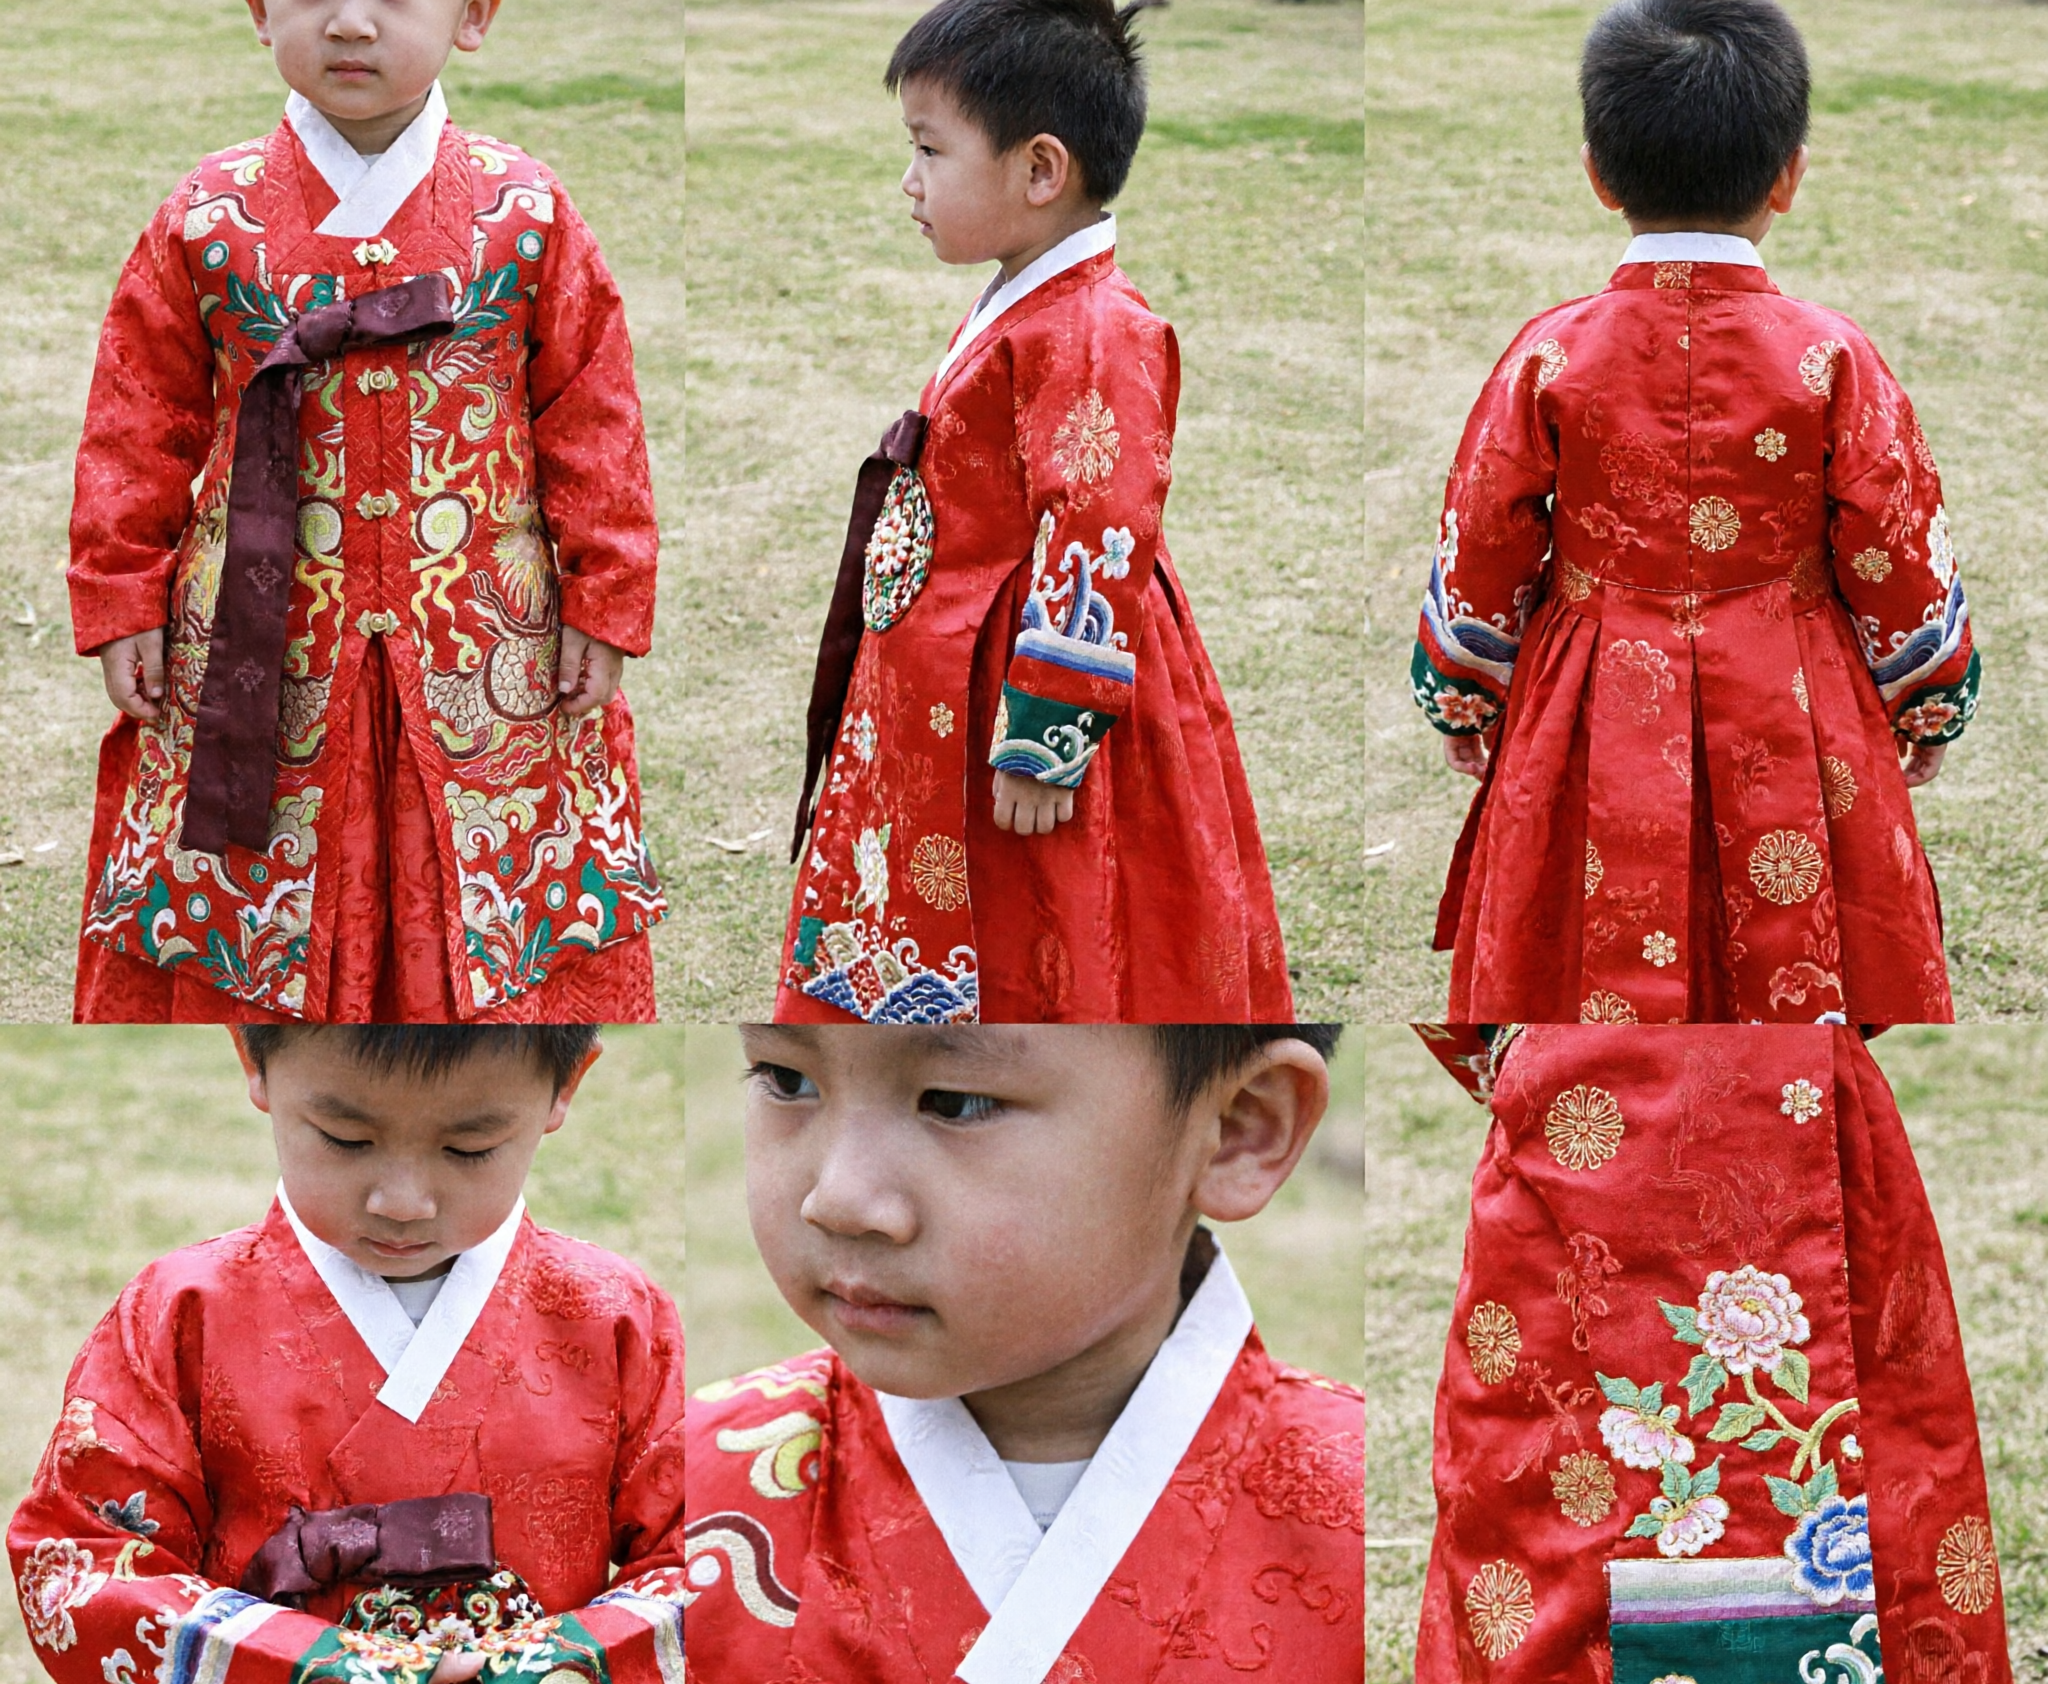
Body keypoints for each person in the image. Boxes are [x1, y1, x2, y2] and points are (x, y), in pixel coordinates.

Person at [1, 1025, 689, 1684]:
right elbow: (81, 1557)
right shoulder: (180, 1312)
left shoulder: (615, 1319)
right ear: (255, 1065)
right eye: (343, 1136)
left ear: (564, 1087)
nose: (402, 1198)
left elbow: (704, 1560)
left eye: (468, 1148)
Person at [682, 1025, 1361, 1684]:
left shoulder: (1357, 1517)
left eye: (952, 1100)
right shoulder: (696, 1494)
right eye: (784, 1077)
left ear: (1235, 1127)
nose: (837, 1194)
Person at [70, 0, 664, 1025]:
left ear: (472, 16)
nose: (350, 22)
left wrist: (604, 596)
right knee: (249, 895)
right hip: (256, 652)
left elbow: (591, 412)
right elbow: (139, 415)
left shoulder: (525, 211)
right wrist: (121, 595)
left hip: (485, 646)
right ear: (260, 13)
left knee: (486, 894)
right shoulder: (208, 216)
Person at [1401, 1023, 2022, 1684]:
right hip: (1749, 1093)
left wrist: (1507, 1052)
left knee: (1597, 1486)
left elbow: (1499, 942)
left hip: (1619, 1093)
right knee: (1606, 1466)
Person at [1412, 0, 1977, 1025]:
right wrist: (1924, 696)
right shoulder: (1830, 357)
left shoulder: (1549, 354)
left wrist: (1466, 691)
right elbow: (1895, 544)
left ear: (1597, 172)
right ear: (1787, 177)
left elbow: (1483, 536)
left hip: (1585, 690)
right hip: (1791, 686)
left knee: (1587, 935)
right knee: (1789, 935)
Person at [778, 0, 1291, 1025]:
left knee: (1037, 900)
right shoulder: (1023, 294)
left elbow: (1099, 519)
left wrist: (1046, 731)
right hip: (943, 673)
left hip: (1013, 683)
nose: (908, 181)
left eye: (929, 150)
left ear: (1039, 170)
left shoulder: (1099, 327)